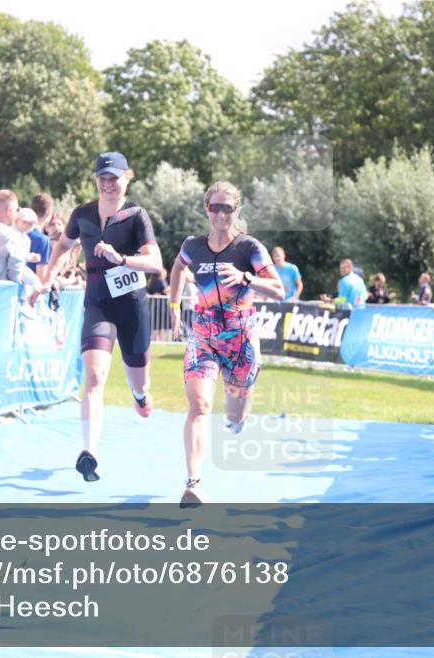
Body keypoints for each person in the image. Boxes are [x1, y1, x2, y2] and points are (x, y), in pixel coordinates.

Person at [40, 152, 163, 483]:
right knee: (94, 376)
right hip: (98, 304)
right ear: (96, 180)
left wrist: (121, 258)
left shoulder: (137, 216)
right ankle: (89, 452)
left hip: (132, 306)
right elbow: (64, 244)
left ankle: (139, 394)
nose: (108, 184)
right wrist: (49, 276)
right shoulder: (82, 214)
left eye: (115, 178)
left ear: (127, 178)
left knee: (140, 382)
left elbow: (155, 263)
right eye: (102, 178)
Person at [168, 181, 284, 507]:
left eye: (228, 208)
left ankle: (238, 418)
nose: (220, 214)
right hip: (204, 330)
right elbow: (177, 268)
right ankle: (193, 484)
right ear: (207, 208)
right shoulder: (193, 245)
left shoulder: (249, 248)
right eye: (215, 207)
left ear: (237, 211)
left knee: (234, 411)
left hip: (240, 331)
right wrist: (175, 307)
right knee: (200, 405)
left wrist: (247, 278)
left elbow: (278, 290)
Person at [0, 191, 38, 289]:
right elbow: (15, 271)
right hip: (1, 294)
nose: (17, 213)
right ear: (9, 211)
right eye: (17, 209)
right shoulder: (13, 237)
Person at [28, 193, 55, 280]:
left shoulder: (17, 232)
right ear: (48, 212)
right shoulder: (43, 240)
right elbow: (41, 278)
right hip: (30, 290)